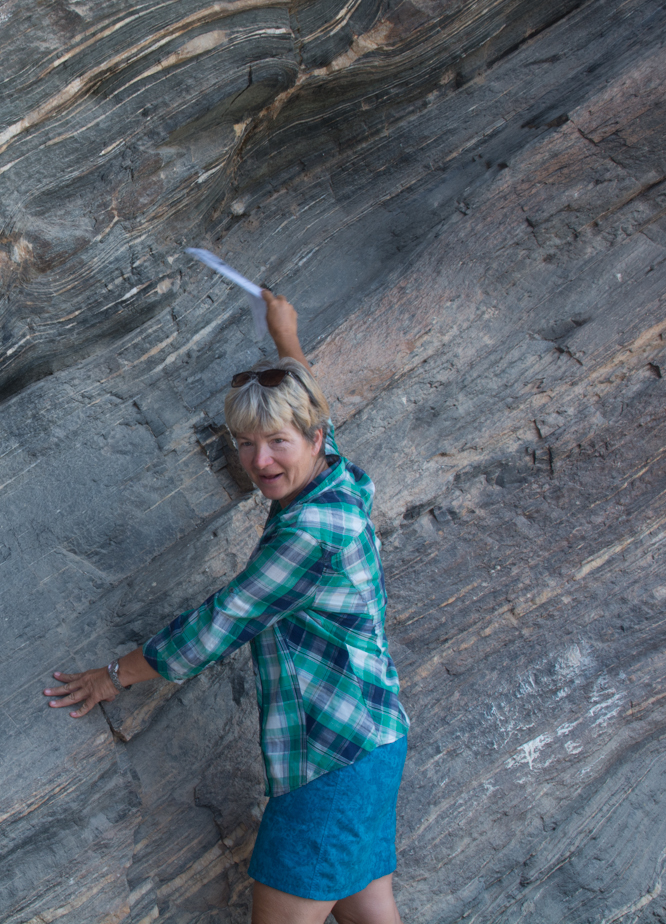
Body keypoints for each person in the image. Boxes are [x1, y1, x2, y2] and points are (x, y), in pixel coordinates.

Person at [44, 290, 409, 924]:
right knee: (370, 914)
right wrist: (285, 335)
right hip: (371, 740)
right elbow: (310, 405)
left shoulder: (310, 532)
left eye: (274, 442)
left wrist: (112, 678)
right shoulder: (335, 475)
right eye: (244, 442)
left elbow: (221, 623)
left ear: (312, 437)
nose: (258, 461)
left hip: (332, 760)